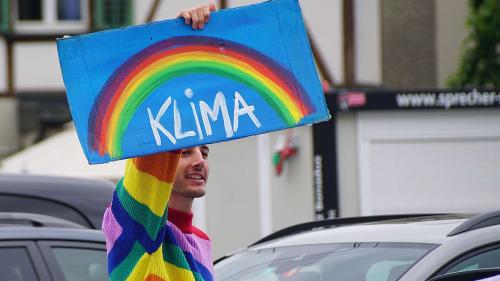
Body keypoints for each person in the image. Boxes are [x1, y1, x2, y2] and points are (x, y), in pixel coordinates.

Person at [102, 3, 216, 281]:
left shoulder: (201, 240)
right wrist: (176, 43)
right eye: (184, 152)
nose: (200, 160)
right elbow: (156, 131)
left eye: (204, 151)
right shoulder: (130, 225)